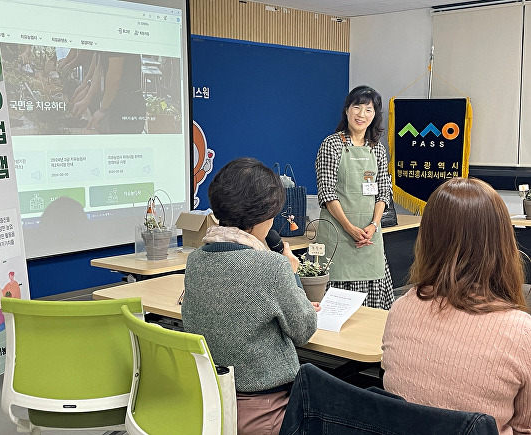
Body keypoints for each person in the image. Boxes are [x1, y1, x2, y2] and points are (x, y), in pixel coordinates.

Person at [381, 177, 531, 435]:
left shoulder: (401, 309)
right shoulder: (521, 331)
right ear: (503, 241)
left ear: (427, 239)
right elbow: (523, 428)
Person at [181, 157, 318, 435]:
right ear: (263, 215)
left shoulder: (196, 260)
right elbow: (304, 330)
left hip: (210, 401)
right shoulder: (272, 266)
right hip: (267, 410)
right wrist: (292, 273)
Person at [315, 85, 394, 310]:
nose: (361, 114)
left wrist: (373, 224)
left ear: (374, 116)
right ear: (347, 110)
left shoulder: (377, 149)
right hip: (339, 232)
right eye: (357, 107)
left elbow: (383, 192)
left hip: (369, 235)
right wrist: (350, 228)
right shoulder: (332, 144)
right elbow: (327, 193)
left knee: (372, 302)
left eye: (368, 110)